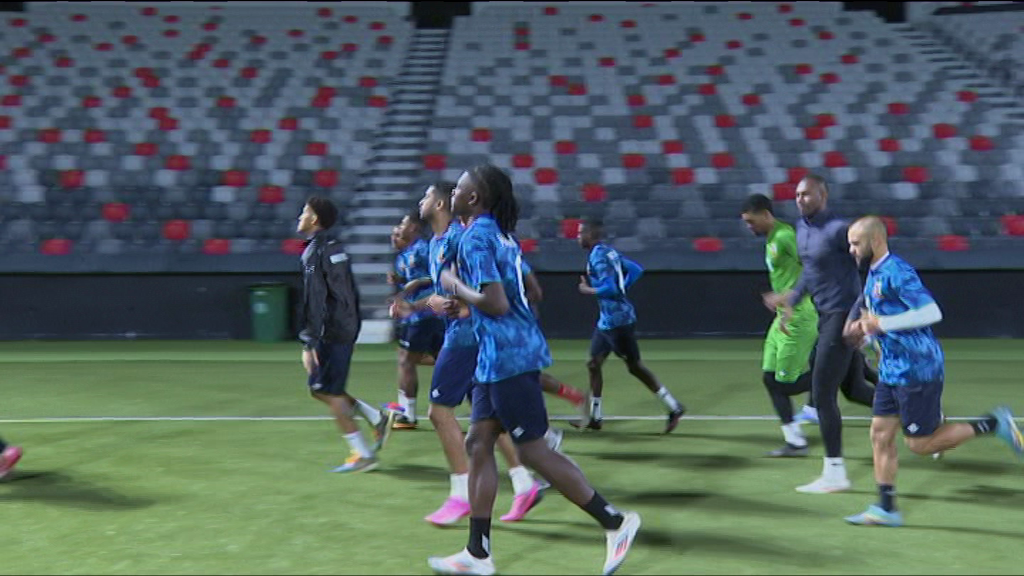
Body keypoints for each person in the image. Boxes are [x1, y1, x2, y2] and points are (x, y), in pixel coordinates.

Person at [428, 165, 640, 576]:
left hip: (510, 356)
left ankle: (616, 522)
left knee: (532, 451)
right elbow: (510, 293)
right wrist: (466, 301)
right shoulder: (498, 234)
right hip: (496, 355)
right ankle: (477, 553)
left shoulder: (476, 237)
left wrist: (454, 286)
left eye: (459, 188)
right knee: (478, 443)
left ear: (474, 198)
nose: (453, 193)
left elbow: (497, 303)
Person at [842, 216, 1023, 526]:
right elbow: (880, 320)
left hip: (917, 368)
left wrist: (881, 324)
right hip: (892, 369)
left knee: (920, 445)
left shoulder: (898, 272)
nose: (851, 250)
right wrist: (867, 336)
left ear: (875, 241)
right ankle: (886, 509)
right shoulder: (873, 275)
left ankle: (993, 423)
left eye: (855, 243)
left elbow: (931, 312)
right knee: (880, 434)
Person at [396, 181, 547, 526]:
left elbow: (475, 287)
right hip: (464, 334)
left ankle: (461, 494)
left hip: (466, 337)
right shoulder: (437, 242)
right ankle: (524, 483)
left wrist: (462, 306)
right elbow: (446, 292)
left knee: (439, 412)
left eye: (427, 196)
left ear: (439, 204)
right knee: (488, 421)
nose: (421, 201)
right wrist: (419, 303)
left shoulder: (458, 237)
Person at [763, 174, 876, 493]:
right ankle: (920, 412)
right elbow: (810, 274)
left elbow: (870, 270)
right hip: (825, 316)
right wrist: (791, 299)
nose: (800, 199)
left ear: (823, 196)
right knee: (854, 389)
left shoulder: (840, 230)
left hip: (842, 318)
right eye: (797, 195)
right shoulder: (801, 229)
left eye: (807, 194)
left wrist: (859, 315)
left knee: (823, 393)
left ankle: (835, 473)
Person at [297, 196, 397, 473]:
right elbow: (350, 289)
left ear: (314, 219)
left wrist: (309, 342)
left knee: (326, 390)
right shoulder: (336, 247)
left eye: (304, 212)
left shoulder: (314, 252)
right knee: (322, 389)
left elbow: (316, 298)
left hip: (331, 329)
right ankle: (376, 417)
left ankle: (363, 454)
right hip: (346, 324)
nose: (300, 217)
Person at [574, 218, 686, 434]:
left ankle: (674, 407)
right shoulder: (609, 252)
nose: (577, 237)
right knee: (593, 364)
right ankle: (596, 417)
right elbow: (636, 270)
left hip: (618, 323)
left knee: (635, 367)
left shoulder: (598, 257)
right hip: (607, 321)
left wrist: (589, 290)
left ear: (590, 235)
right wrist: (622, 287)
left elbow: (610, 288)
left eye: (580, 233)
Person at [741, 194, 818, 457]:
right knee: (769, 378)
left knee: (786, 384)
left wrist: (787, 296)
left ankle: (834, 374)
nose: (749, 227)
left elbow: (813, 268)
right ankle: (795, 441)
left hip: (799, 315)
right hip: (783, 316)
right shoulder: (772, 238)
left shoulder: (785, 236)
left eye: (752, 221)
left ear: (766, 214)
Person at [389, 211, 446, 429]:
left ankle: (407, 414)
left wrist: (418, 282)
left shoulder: (424, 248)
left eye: (402, 223)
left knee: (406, 361)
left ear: (413, 227)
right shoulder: (403, 256)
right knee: (446, 361)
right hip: (417, 315)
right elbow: (408, 284)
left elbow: (441, 274)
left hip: (426, 312)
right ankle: (485, 406)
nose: (399, 228)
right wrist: (399, 282)